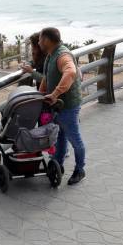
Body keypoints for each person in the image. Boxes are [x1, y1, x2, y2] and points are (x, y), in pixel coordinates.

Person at [38, 27, 85, 185]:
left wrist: (55, 93)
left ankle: (80, 169)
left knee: (74, 139)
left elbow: (71, 72)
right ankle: (58, 165)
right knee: (60, 137)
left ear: (47, 40)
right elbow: (47, 76)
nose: (38, 42)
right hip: (57, 106)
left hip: (68, 106)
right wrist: (40, 94)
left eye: (40, 39)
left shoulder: (62, 55)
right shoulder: (51, 55)